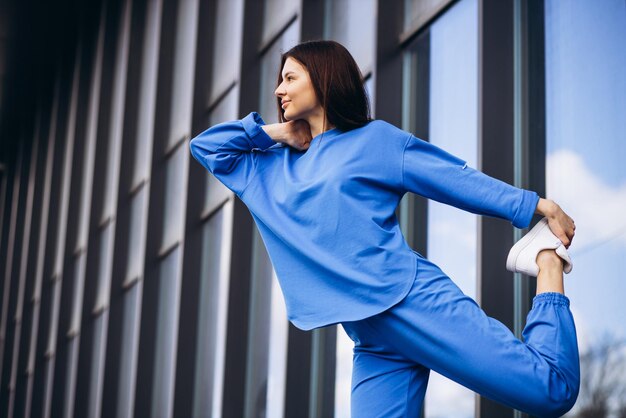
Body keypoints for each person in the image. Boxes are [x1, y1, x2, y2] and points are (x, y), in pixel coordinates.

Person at [189, 40, 579, 417]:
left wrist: (536, 206)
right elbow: (206, 147)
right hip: (369, 334)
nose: (279, 90)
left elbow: (452, 179)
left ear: (323, 77)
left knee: (551, 390)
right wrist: (278, 132)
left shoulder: (374, 140)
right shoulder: (266, 168)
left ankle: (544, 259)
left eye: (290, 78)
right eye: (280, 80)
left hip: (409, 300)